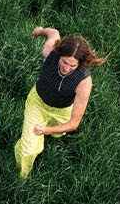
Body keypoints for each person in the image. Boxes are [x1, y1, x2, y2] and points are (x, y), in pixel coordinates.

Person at [14, 25, 105, 177]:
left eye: (72, 65)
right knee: (28, 149)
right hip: (38, 103)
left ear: (80, 64)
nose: (66, 68)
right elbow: (54, 32)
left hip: (62, 111)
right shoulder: (50, 51)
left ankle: (51, 132)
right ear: (59, 54)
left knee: (58, 133)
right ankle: (21, 177)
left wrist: (47, 130)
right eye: (64, 62)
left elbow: (73, 124)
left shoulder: (84, 82)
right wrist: (40, 31)